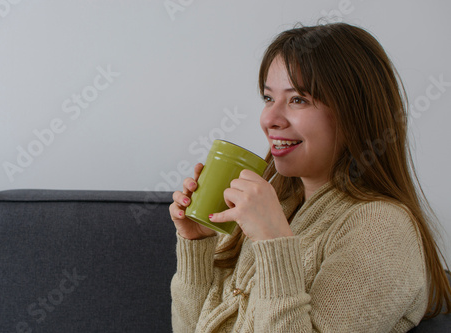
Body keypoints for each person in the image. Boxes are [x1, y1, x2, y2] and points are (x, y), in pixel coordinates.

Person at [169, 22, 451, 332]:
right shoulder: (274, 205)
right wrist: (198, 244)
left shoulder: (382, 229)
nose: (269, 119)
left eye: (298, 99)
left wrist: (274, 242)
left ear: (353, 112)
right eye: (267, 98)